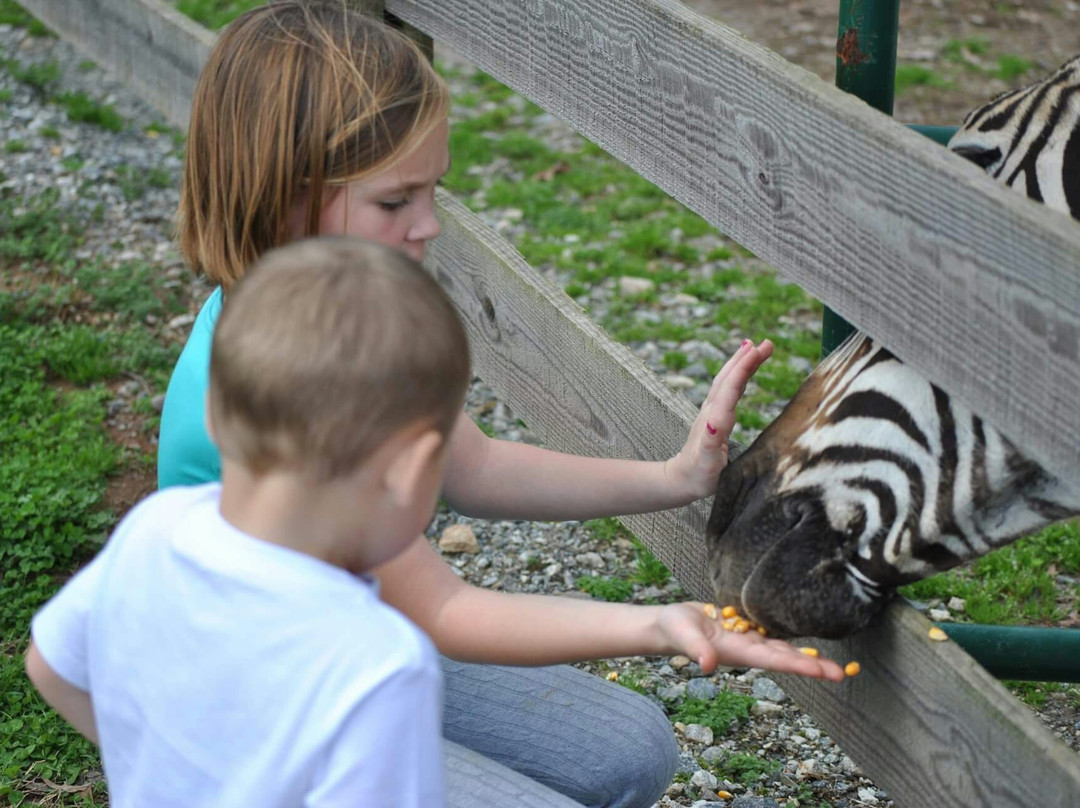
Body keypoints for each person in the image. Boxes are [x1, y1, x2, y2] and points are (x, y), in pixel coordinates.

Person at [158, 3, 848, 806]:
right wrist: (659, 624)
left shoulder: (341, 308)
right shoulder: (293, 391)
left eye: (433, 193)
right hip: (260, 711)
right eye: (395, 202)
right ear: (286, 194)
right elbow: (446, 607)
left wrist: (678, 475)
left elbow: (474, 463)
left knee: (631, 752)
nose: (427, 227)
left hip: (349, 640)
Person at [26, 237, 469, 806]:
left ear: (212, 412)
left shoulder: (156, 526)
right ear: (411, 470)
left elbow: (51, 665)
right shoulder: (382, 665)